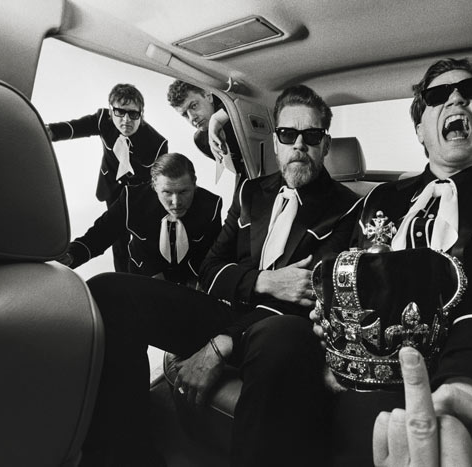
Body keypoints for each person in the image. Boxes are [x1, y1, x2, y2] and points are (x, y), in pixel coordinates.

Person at [79, 85, 361, 467]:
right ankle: (128, 454)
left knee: (281, 335)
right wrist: (264, 281)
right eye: (287, 134)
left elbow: (309, 298)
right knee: (107, 291)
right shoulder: (250, 193)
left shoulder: (349, 209)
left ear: (325, 145)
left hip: (280, 332)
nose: (299, 145)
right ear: (275, 143)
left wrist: (221, 344)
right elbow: (210, 269)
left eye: (311, 136)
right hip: (227, 312)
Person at [312, 57, 472, 467]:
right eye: (438, 95)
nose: (457, 98)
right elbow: (346, 278)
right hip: (371, 378)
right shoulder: (380, 199)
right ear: (419, 129)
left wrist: (467, 388)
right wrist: (331, 331)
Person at [47, 84, 169, 272]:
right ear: (111, 112)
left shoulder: (158, 143)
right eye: (120, 112)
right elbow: (76, 127)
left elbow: (159, 180)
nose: (126, 120)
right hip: (112, 188)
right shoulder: (102, 120)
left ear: (141, 114)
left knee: (140, 241)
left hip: (139, 196)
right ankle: (121, 276)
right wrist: (50, 132)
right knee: (117, 240)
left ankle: (141, 277)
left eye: (133, 114)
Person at [61, 153, 222, 287]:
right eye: (167, 192)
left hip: (190, 284)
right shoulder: (132, 200)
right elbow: (100, 235)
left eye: (183, 192)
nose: (176, 202)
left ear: (194, 184)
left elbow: (214, 254)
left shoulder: (212, 206)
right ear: (154, 186)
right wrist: (70, 256)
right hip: (141, 277)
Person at [166, 80, 246, 181]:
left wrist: (216, 119)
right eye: (185, 114)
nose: (192, 118)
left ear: (208, 96)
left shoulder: (232, 98)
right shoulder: (201, 141)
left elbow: (247, 98)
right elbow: (238, 169)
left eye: (194, 106)